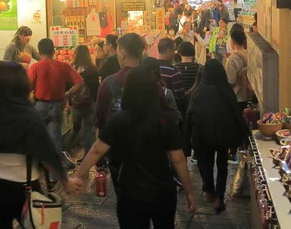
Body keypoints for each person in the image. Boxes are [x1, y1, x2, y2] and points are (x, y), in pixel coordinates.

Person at [0, 62, 82, 228]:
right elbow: (47, 154)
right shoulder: (30, 115)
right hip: (26, 190)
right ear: (23, 85)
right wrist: (65, 181)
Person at [72, 66, 196, 229]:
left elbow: (96, 150)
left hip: (130, 192)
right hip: (162, 191)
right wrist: (189, 192)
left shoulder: (119, 120)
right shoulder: (165, 121)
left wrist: (78, 176)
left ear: (128, 90)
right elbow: (178, 160)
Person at [184, 59, 249, 213]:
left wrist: (186, 140)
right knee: (222, 165)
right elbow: (236, 114)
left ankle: (209, 190)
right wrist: (243, 135)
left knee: (204, 162)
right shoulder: (225, 90)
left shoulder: (198, 92)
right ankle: (220, 197)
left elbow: (189, 116)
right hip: (223, 136)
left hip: (202, 136)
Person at [28, 38, 84, 169]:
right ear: (53, 51)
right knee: (55, 139)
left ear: (40, 52)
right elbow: (80, 82)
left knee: (36, 136)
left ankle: (36, 169)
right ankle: (54, 174)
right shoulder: (64, 66)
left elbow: (27, 87)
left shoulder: (35, 67)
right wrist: (67, 95)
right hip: (58, 106)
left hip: (40, 106)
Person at [94, 33, 144, 131]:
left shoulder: (108, 83)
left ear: (123, 53)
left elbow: (100, 117)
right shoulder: (154, 81)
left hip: (115, 140)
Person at [68, 45, 100, 161]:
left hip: (76, 103)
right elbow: (96, 87)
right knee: (88, 131)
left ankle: (66, 152)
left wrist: (68, 100)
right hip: (90, 102)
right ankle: (87, 157)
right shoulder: (93, 68)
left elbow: (68, 85)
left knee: (75, 128)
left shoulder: (72, 68)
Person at [226, 29, 252, 111]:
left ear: (232, 41)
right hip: (251, 94)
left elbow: (231, 82)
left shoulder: (232, 59)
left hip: (238, 97)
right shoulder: (250, 54)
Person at [157, 38, 186, 104]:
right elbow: (180, 96)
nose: (174, 53)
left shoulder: (151, 67)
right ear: (168, 51)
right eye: (173, 50)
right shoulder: (174, 71)